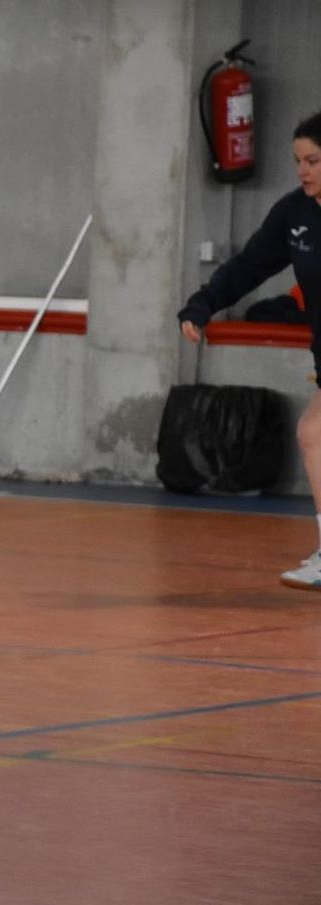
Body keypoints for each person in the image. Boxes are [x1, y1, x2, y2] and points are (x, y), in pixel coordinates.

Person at [178, 109, 321, 590]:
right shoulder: (294, 214)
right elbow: (249, 266)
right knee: (315, 436)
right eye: (298, 161)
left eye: (313, 161)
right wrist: (203, 304)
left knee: (315, 433)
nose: (302, 171)